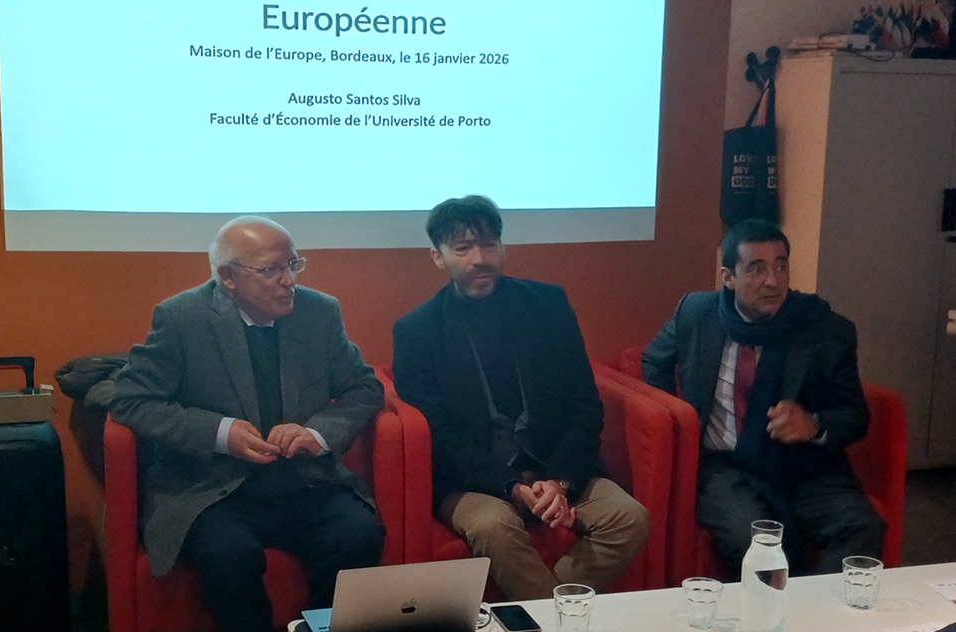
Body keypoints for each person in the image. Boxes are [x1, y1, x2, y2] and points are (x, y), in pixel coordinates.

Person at [110, 216, 385, 632]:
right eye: (272, 270)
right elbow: (130, 401)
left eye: (293, 264)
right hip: (213, 490)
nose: (289, 281)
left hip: (304, 482)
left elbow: (364, 387)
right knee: (229, 555)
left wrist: (317, 433)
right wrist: (220, 433)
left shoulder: (318, 312)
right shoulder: (182, 318)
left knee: (358, 533)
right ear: (228, 277)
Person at [392, 195, 649, 600]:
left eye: (488, 244)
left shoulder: (548, 306)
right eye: (463, 248)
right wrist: (510, 486)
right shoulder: (417, 331)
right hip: (474, 481)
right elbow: (443, 438)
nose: (480, 259)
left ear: (502, 247)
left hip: (555, 468)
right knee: (493, 527)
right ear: (438, 257)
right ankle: (561, 618)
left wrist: (560, 482)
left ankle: (544, 613)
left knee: (629, 517)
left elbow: (584, 405)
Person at [642, 219, 885, 576]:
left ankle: (816, 610)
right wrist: (677, 422)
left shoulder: (826, 329)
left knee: (863, 526)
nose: (773, 281)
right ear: (728, 277)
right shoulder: (695, 313)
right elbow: (653, 361)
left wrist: (814, 424)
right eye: (756, 269)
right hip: (723, 466)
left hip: (803, 466)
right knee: (755, 543)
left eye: (781, 266)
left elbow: (855, 415)